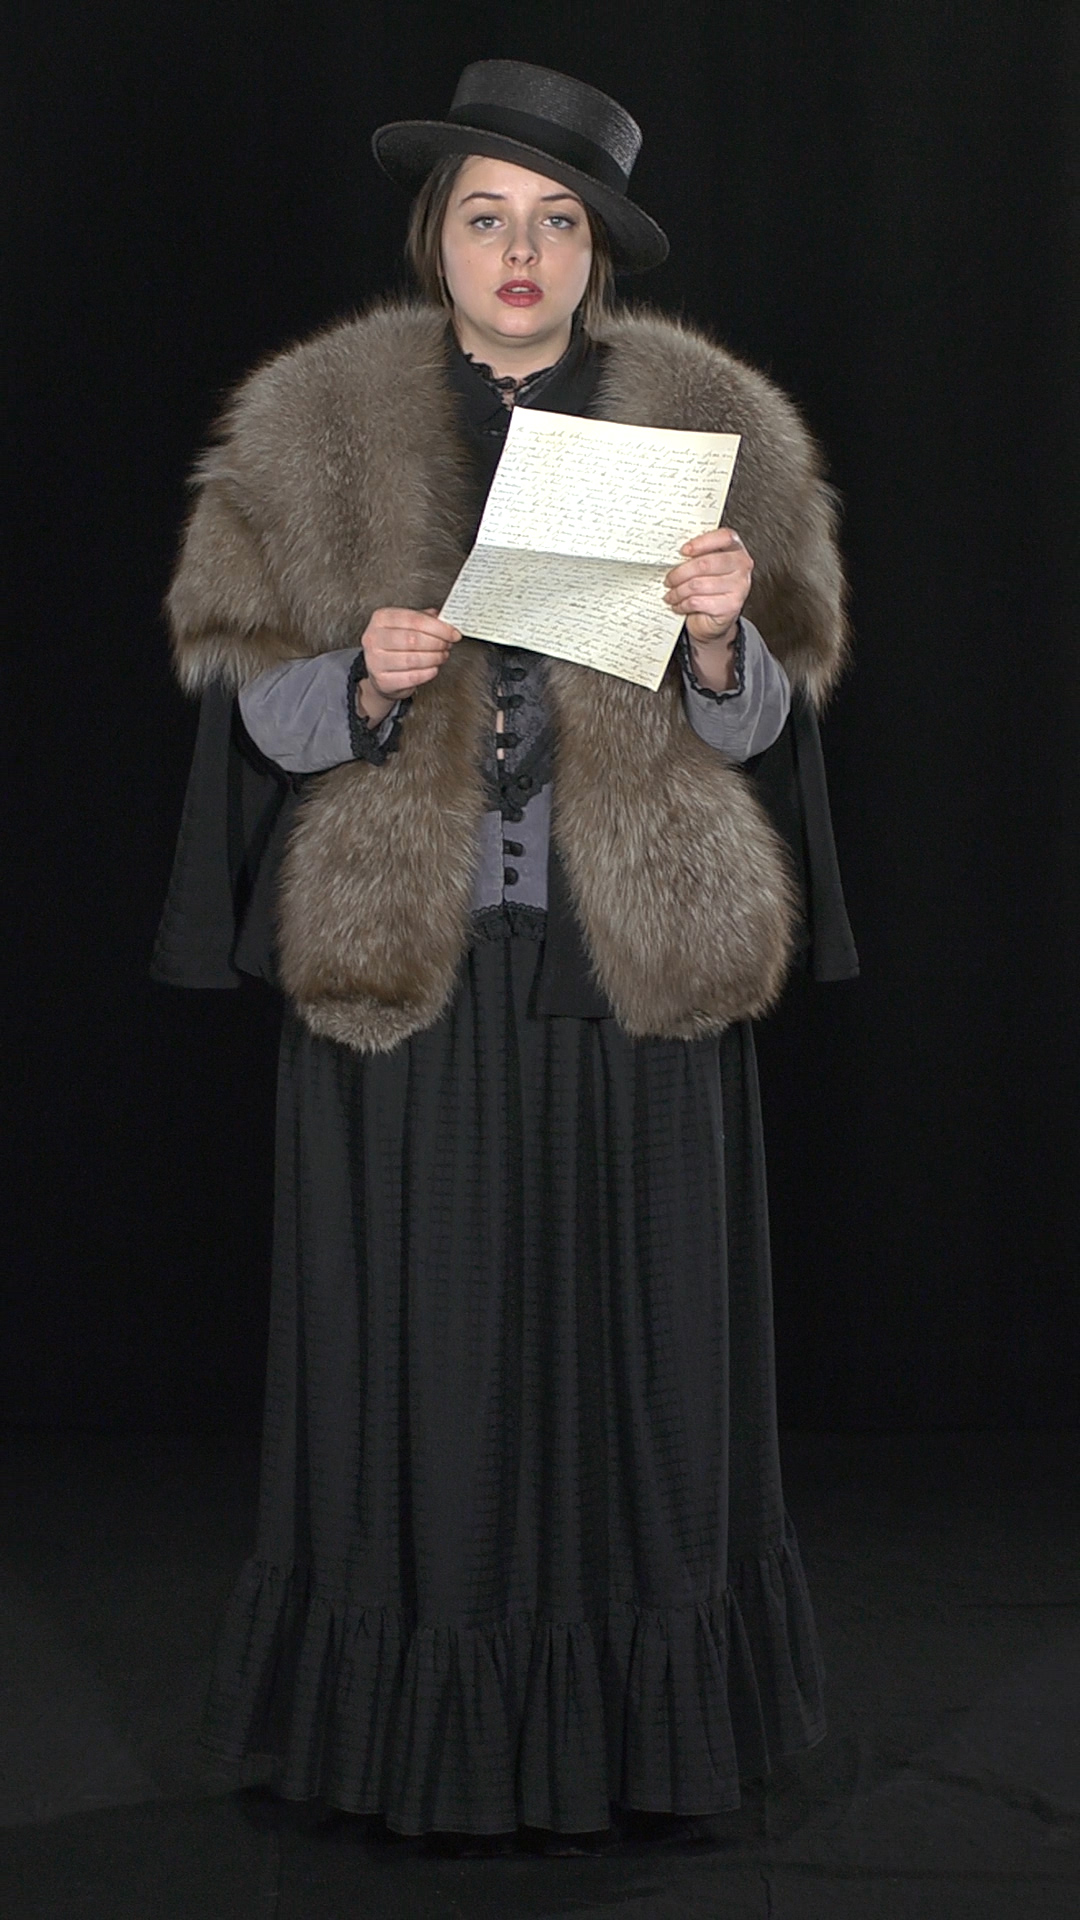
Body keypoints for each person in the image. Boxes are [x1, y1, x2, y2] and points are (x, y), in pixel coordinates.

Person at [153, 60, 857, 1849]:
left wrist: (721, 642)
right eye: (487, 217)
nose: (520, 251)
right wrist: (363, 679)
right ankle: (415, 1743)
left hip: (635, 975)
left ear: (598, 252)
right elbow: (246, 708)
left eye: (556, 223)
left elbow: (768, 722)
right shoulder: (312, 425)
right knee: (423, 1367)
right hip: (413, 972)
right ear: (438, 237)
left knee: (643, 1362)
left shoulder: (713, 431)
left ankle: (641, 1742)